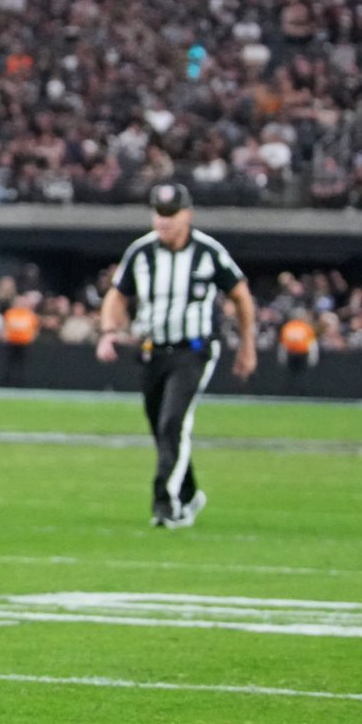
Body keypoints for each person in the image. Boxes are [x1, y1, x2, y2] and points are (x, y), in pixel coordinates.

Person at [96, 182, 258, 528]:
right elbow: (117, 295)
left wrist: (247, 345)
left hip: (194, 350)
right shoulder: (140, 252)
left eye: (171, 214)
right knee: (161, 427)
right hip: (152, 351)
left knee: (173, 422)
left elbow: (241, 297)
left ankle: (165, 503)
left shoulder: (209, 252)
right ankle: (189, 494)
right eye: (159, 213)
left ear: (188, 215)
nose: (164, 221)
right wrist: (109, 332)